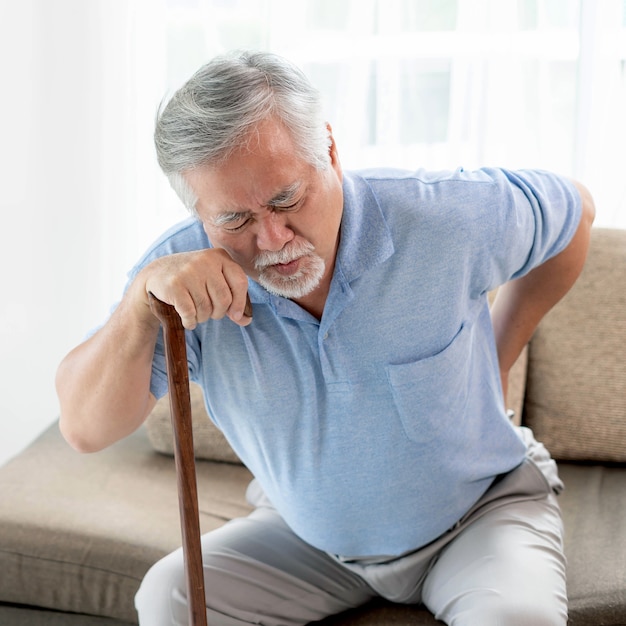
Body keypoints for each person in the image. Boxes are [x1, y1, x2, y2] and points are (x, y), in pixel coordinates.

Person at [56, 50, 595, 626]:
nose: (272, 239)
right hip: (307, 539)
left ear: (331, 153)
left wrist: (500, 349)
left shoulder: (447, 215)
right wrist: (139, 310)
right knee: (169, 595)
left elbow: (576, 213)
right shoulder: (177, 278)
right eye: (234, 220)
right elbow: (86, 429)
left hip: (478, 516)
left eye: (286, 199)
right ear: (197, 210)